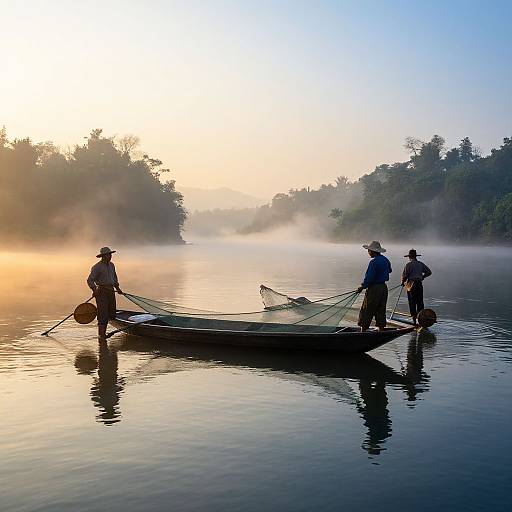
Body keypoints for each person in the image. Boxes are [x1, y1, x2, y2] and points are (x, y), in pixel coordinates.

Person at [87, 247, 123, 340]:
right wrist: (94, 290)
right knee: (103, 313)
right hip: (101, 292)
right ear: (103, 256)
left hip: (111, 290)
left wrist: (117, 288)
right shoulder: (97, 267)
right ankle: (101, 335)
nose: (110, 256)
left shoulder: (111, 265)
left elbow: (114, 278)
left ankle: (104, 333)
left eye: (110, 255)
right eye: (108, 255)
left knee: (112, 313)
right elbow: (90, 280)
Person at [356, 241, 392, 332]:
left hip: (374, 288)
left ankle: (363, 331)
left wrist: (362, 287)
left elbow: (369, 278)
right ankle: (381, 329)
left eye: (369, 251)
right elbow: (390, 270)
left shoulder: (373, 262)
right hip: (383, 288)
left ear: (373, 251)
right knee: (381, 309)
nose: (368, 253)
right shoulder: (385, 260)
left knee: (367, 309)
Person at [401, 249, 432, 326]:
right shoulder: (420, 264)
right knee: (420, 302)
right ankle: (422, 321)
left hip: (411, 285)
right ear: (415, 256)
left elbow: (404, 276)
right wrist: (422, 277)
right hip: (419, 284)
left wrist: (402, 282)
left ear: (410, 257)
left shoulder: (408, 265)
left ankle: (414, 322)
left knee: (412, 303)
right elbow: (429, 272)